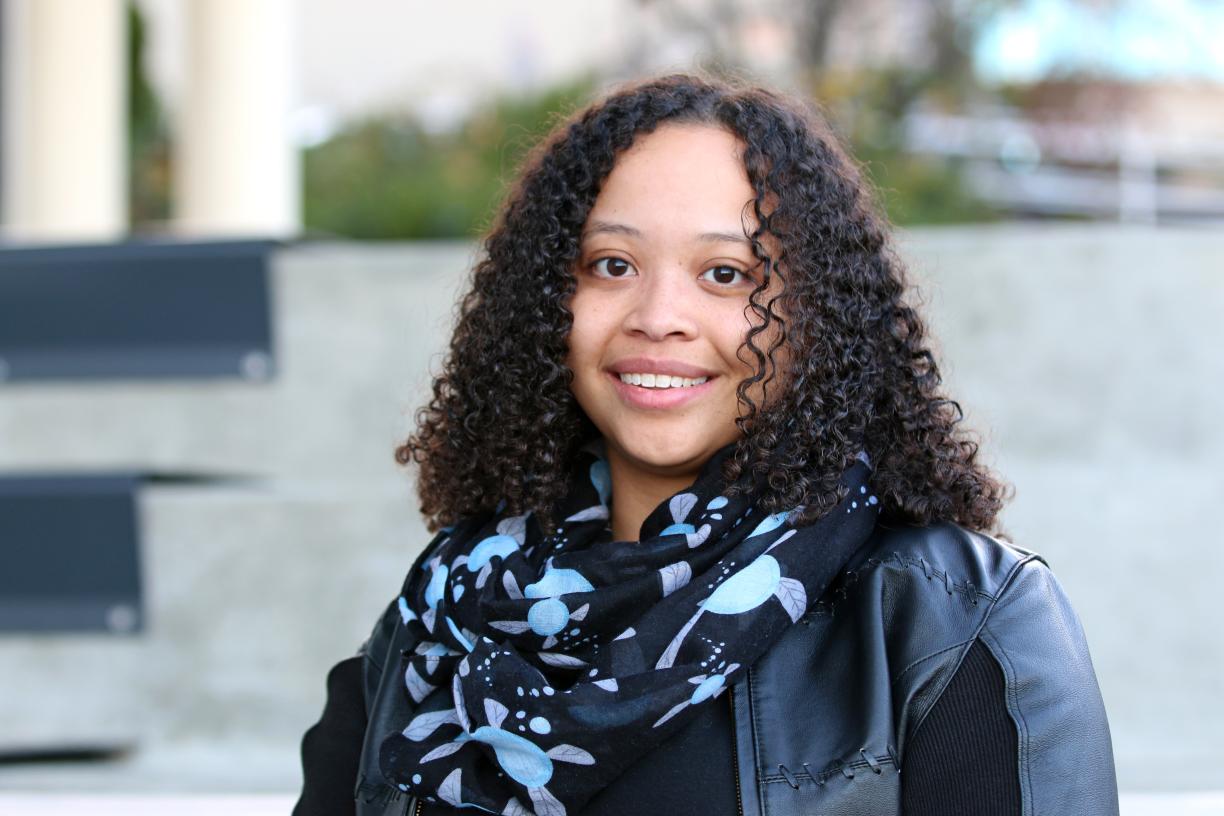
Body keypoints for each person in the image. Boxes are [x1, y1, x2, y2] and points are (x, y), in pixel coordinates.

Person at [293, 73, 1118, 816]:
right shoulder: (441, 616)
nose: (658, 315)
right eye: (610, 264)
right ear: (544, 301)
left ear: (816, 320)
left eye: (727, 274)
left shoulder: (954, 624)